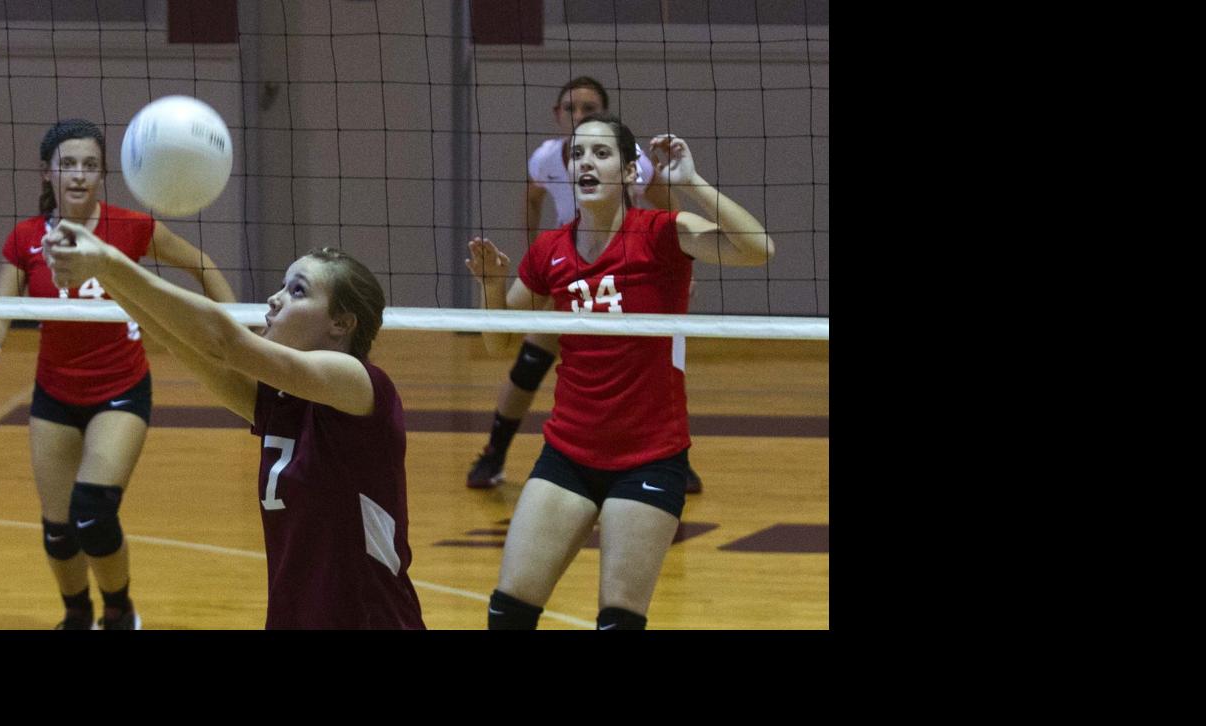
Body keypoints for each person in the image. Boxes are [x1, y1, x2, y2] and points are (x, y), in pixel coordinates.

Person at [466, 116, 773, 629]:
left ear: (631, 172)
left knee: (618, 621)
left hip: (649, 460)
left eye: (601, 153)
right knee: (508, 611)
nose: (585, 161)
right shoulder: (550, 252)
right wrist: (492, 285)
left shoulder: (661, 235)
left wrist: (689, 183)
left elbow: (758, 249)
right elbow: (498, 340)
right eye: (578, 153)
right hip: (568, 453)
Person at [41, 222, 425, 630]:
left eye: (297, 291)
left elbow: (224, 344)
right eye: (282, 286)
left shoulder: (360, 383)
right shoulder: (284, 401)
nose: (275, 300)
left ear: (341, 324)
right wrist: (103, 274)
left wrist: (111, 260)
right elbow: (183, 342)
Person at [0, 118, 237, 630]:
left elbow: (200, 263)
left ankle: (119, 611)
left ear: (102, 175)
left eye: (89, 166)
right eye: (67, 164)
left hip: (120, 391)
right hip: (54, 394)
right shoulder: (27, 238)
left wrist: (237, 323)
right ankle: (76, 614)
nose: (78, 175)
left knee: (92, 511)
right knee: (58, 530)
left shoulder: (130, 227)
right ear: (47, 173)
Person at [465, 76, 703, 494]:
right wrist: (536, 254)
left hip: (620, 272)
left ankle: (669, 459)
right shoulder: (545, 158)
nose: (578, 115)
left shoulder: (630, 161)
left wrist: (683, 265)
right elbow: (533, 198)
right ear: (557, 116)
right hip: (566, 273)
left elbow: (668, 205)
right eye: (570, 108)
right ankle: (494, 455)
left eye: (589, 109)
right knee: (528, 366)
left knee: (655, 363)